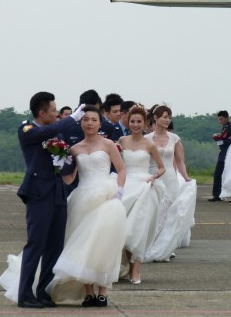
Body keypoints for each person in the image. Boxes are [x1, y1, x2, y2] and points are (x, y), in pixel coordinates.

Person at [0, 92, 85, 309]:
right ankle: (25, 293)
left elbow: (65, 158)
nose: (56, 114)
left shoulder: (55, 133)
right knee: (36, 244)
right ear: (42, 113)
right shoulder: (28, 129)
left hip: (57, 193)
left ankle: (43, 292)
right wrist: (71, 118)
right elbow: (47, 131)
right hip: (38, 194)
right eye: (54, 111)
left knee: (54, 247)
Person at [47, 105, 127, 307]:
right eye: (85, 120)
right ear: (80, 123)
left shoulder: (109, 144)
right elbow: (69, 179)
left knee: (103, 243)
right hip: (82, 199)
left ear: (100, 123)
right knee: (84, 244)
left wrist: (119, 190)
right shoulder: (74, 149)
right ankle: (89, 291)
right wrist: (60, 163)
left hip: (107, 198)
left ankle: (103, 290)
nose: (89, 123)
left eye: (93, 119)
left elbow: (121, 169)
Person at [118, 106, 166, 284]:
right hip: (126, 185)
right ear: (128, 122)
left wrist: (154, 176)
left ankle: (136, 269)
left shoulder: (149, 144)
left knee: (139, 228)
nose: (136, 125)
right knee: (125, 229)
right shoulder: (121, 141)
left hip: (144, 187)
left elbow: (162, 167)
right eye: (133, 121)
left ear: (145, 123)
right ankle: (128, 267)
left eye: (139, 122)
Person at [144, 104, 197, 262]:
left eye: (169, 117)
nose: (167, 120)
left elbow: (180, 162)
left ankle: (165, 247)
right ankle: (150, 245)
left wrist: (186, 178)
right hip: (153, 177)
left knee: (168, 213)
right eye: (164, 117)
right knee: (155, 212)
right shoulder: (146, 139)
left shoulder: (174, 139)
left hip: (170, 179)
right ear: (156, 118)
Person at [209, 111, 231, 202]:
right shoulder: (224, 128)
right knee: (217, 174)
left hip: (230, 154)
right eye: (218, 119)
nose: (220, 121)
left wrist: (220, 141)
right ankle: (216, 195)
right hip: (223, 153)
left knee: (229, 175)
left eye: (221, 119)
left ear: (227, 118)